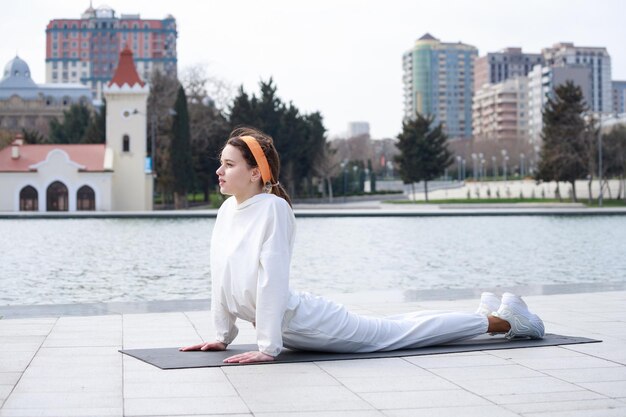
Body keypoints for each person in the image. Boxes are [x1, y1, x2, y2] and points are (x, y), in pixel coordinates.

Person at [180, 127, 545, 363]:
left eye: (228, 164)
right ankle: (480, 315)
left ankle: (503, 321)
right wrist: (221, 336)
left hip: (308, 324)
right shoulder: (229, 210)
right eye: (221, 164)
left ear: (256, 172)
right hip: (295, 327)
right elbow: (221, 277)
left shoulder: (273, 210)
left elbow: (271, 281)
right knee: (393, 326)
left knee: (397, 335)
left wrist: (266, 348)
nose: (220, 171)